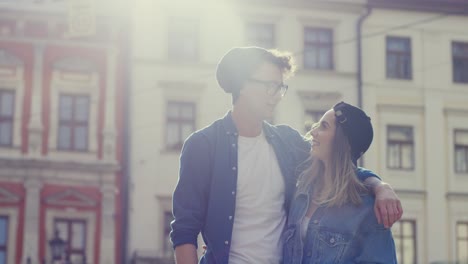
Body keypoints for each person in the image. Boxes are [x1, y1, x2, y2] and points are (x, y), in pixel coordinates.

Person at [170, 47, 402, 264]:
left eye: (281, 87)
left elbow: (338, 164)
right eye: (270, 85)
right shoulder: (203, 146)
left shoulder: (287, 142)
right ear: (242, 85)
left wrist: (380, 186)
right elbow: (184, 230)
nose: (277, 95)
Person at [282, 101, 397, 264]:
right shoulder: (302, 190)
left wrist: (380, 187)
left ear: (343, 141)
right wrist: (381, 186)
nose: (313, 131)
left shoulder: (368, 209)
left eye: (324, 126)